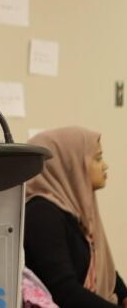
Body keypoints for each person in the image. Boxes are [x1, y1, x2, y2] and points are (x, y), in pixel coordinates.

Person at [24, 126, 127, 307]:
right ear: (70, 164)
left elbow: (103, 267)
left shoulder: (74, 208)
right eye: (98, 158)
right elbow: (64, 292)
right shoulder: (42, 214)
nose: (105, 166)